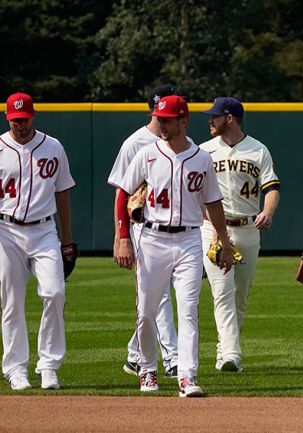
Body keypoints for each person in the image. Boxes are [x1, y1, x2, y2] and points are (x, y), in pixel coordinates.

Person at [116, 95, 234, 397]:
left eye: (168, 119)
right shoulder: (147, 154)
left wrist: (224, 240)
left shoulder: (202, 158)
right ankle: (147, 368)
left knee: (189, 310)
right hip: (151, 239)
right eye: (160, 118)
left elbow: (213, 202)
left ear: (183, 121)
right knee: (146, 311)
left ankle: (187, 376)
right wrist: (123, 236)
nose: (162, 124)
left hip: (188, 240)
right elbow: (123, 194)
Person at [199, 97, 281, 373]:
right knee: (222, 293)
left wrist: (268, 212)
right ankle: (233, 355)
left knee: (239, 297)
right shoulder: (203, 151)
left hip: (248, 228)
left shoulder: (258, 150)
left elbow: (271, 188)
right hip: (212, 229)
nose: (210, 120)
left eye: (215, 116)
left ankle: (224, 350)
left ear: (230, 118)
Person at [0, 92, 75, 390]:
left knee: (55, 293)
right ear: (8, 118)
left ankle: (48, 365)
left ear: (34, 115)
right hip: (6, 230)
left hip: (44, 230)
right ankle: (16, 368)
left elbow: (63, 192)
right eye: (14, 120)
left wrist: (67, 240)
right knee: (12, 301)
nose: (20, 124)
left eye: (24, 118)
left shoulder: (53, 146)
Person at [107, 84, 179, 378]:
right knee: (158, 294)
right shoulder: (134, 143)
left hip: (174, 226)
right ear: (155, 108)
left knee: (152, 295)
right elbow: (121, 193)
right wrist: (120, 236)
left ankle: (136, 354)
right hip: (141, 224)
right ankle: (173, 358)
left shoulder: (180, 140)